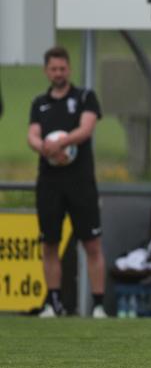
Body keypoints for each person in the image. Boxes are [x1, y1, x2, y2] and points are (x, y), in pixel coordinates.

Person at [28, 46, 107, 318]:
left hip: (80, 182)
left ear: (69, 69)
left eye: (62, 68)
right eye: (54, 69)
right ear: (46, 71)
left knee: (92, 243)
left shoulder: (85, 97)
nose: (58, 73)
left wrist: (61, 142)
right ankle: (54, 304)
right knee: (50, 243)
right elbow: (32, 135)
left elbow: (86, 129)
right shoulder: (39, 103)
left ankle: (98, 305)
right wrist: (45, 148)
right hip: (50, 182)